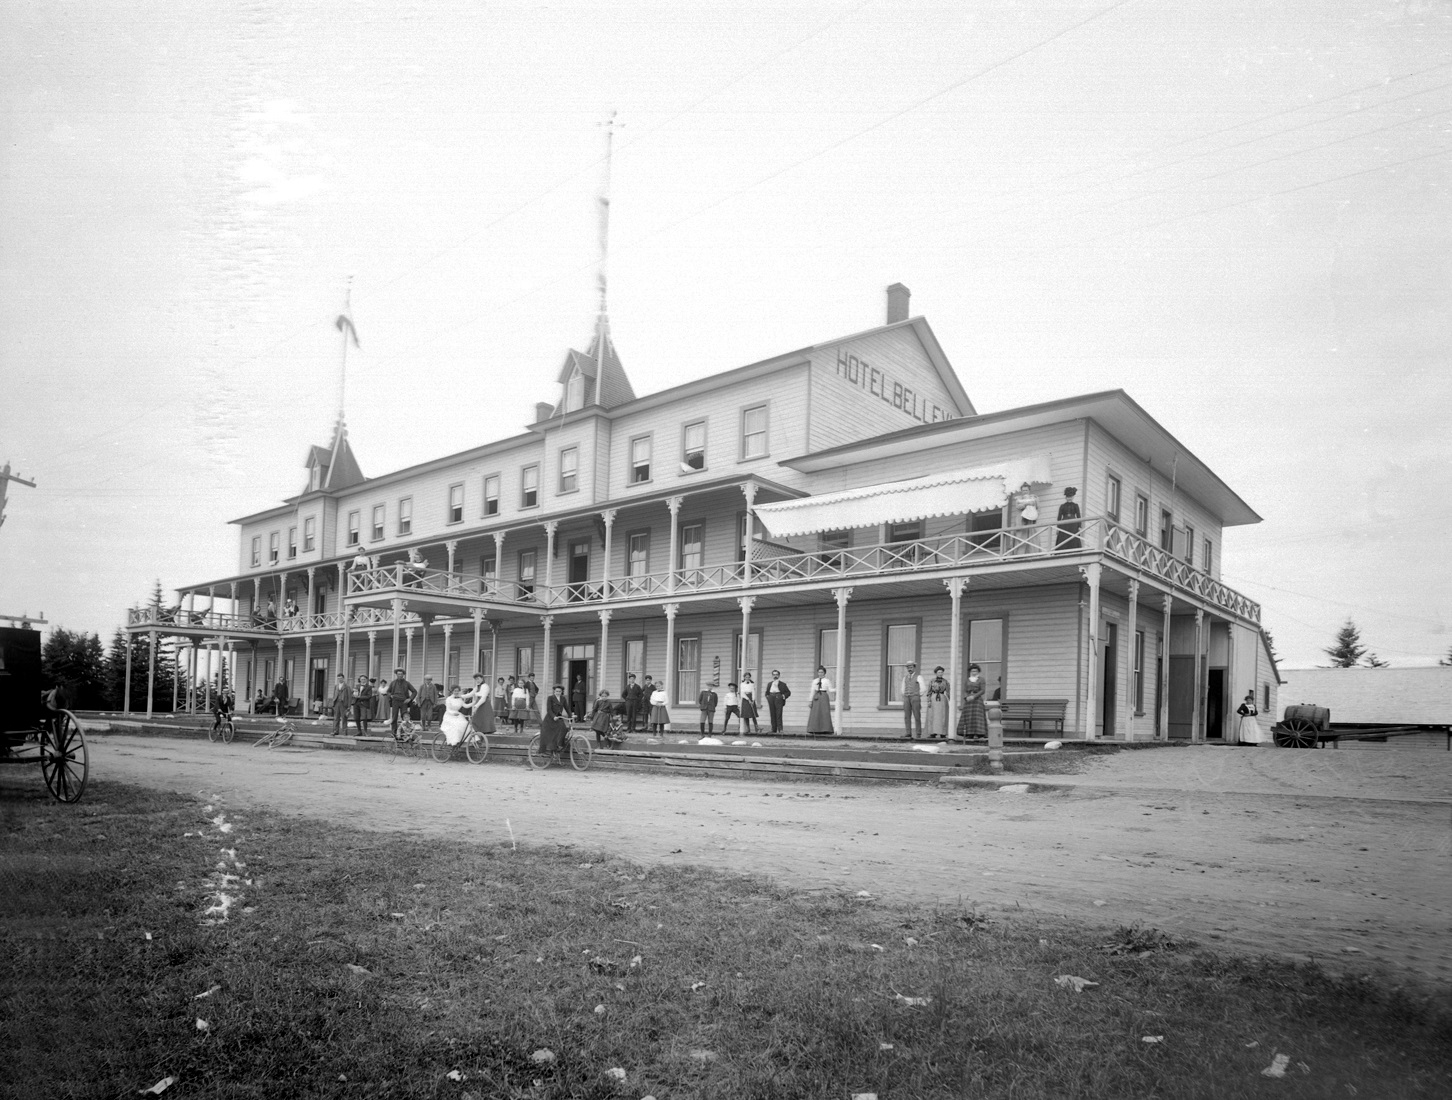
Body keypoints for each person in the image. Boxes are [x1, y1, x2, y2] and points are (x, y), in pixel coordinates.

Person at [956, 663, 988, 740]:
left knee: (977, 716)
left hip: (977, 700)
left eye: (976, 671)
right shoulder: (967, 680)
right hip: (969, 700)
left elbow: (982, 690)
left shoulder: (981, 679)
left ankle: (979, 733)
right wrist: (966, 697)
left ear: (978, 672)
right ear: (970, 672)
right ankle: (969, 733)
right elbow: (964, 690)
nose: (974, 672)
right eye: (972, 671)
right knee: (969, 716)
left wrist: (974, 696)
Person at [385, 667, 416, 734]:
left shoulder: (407, 683)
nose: (400, 675)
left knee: (404, 716)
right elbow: (388, 691)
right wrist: (390, 695)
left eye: (401, 674)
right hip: (395, 701)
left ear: (403, 675)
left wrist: (410, 699)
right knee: (394, 716)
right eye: (398, 674)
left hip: (403, 702)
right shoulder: (393, 683)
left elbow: (414, 691)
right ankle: (394, 731)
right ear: (396, 675)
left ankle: (405, 731)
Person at [540, 684, 570, 754]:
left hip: (559, 716)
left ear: (562, 692)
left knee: (564, 729)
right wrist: (554, 717)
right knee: (554, 732)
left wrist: (571, 716)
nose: (558, 693)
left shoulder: (563, 698)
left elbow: (567, 708)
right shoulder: (550, 698)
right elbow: (549, 709)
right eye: (557, 691)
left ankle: (559, 745)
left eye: (559, 691)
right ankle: (553, 748)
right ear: (554, 691)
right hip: (550, 718)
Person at [901, 661, 926, 740]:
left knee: (917, 715)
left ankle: (918, 733)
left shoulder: (918, 677)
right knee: (907, 716)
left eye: (911, 667)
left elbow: (923, 688)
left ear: (914, 668)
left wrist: (917, 694)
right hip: (906, 697)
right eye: (908, 668)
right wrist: (904, 694)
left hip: (915, 697)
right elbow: (902, 688)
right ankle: (908, 732)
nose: (909, 669)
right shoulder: (905, 678)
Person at [806, 666, 834, 737]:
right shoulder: (815, 681)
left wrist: (838, 689)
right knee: (816, 712)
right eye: (819, 672)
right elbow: (812, 691)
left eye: (822, 672)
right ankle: (814, 729)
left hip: (824, 696)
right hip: (816, 696)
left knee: (824, 712)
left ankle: (825, 729)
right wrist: (810, 701)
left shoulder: (827, 681)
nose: (820, 674)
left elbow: (830, 689)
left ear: (824, 673)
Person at [925, 666, 951, 740]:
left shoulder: (945, 681)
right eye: (939, 672)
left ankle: (943, 733)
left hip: (942, 699)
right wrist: (929, 701)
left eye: (941, 672)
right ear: (936, 673)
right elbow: (929, 692)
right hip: (934, 699)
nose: (940, 673)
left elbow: (948, 692)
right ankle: (933, 733)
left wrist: (950, 701)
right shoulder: (932, 681)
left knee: (943, 716)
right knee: (933, 716)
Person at [1055, 486, 1081, 551]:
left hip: (1073, 524)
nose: (1069, 498)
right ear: (1066, 497)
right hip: (1064, 524)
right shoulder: (1062, 506)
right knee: (1064, 536)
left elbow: (1078, 516)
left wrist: (1079, 526)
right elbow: (1059, 517)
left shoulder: (1075, 505)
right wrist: (1058, 527)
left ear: (1073, 497)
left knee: (1073, 537)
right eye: (1068, 497)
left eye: (1070, 496)